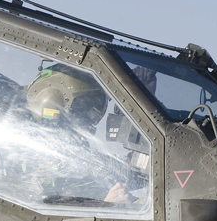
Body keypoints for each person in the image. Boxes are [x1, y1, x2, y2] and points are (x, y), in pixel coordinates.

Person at [23, 65, 141, 206]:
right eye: (83, 108)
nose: (90, 117)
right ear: (52, 103)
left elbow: (134, 174)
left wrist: (140, 98)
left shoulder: (79, 157)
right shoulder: (27, 164)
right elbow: (38, 218)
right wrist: (106, 207)